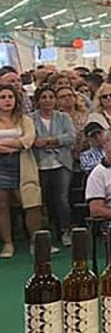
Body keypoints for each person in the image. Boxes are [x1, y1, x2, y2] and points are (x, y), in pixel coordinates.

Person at [0, 83, 42, 258]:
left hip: (22, 166)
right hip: (1, 167)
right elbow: (19, 143)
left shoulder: (25, 120)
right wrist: (14, 144)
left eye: (10, 97)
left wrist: (5, 145)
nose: (7, 100)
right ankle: (8, 244)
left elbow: (27, 140)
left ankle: (36, 241)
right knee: (2, 206)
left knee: (31, 204)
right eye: (2, 97)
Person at [31, 86, 75, 247]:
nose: (47, 100)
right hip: (39, 164)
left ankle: (65, 230)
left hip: (61, 163)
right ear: (38, 100)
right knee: (42, 201)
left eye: (51, 97)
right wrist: (55, 141)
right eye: (44, 97)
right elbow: (33, 139)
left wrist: (48, 141)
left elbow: (70, 137)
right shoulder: (30, 118)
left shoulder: (63, 117)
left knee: (62, 199)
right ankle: (44, 234)